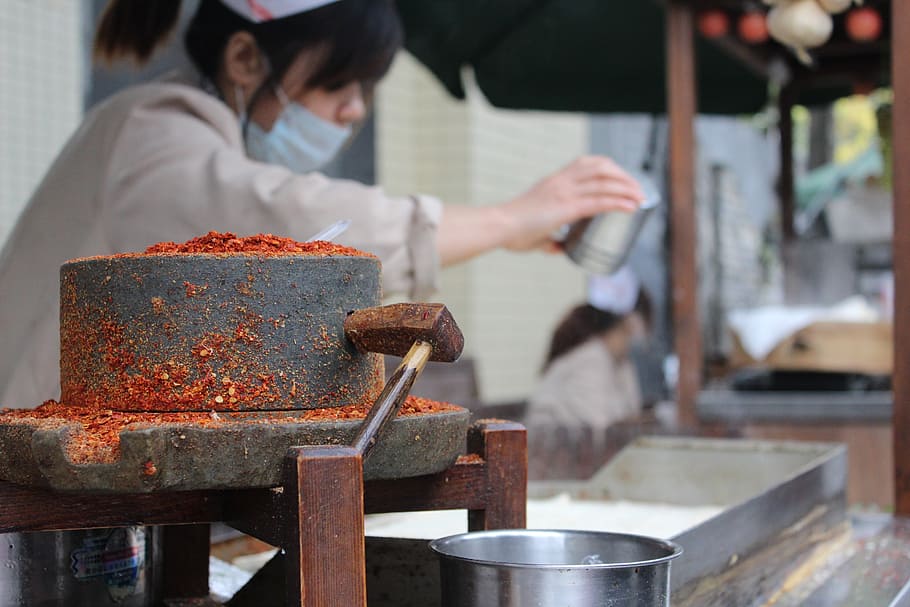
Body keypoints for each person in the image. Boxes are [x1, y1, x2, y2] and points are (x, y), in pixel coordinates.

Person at [0, 0, 644, 408]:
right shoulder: (154, 132)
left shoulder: (156, 128)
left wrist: (503, 229)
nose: (355, 109)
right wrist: (506, 220)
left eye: (364, 88)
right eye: (340, 81)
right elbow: (280, 224)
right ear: (246, 57)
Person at [525, 267, 652, 434]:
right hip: (553, 456)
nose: (642, 338)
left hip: (577, 456)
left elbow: (630, 414)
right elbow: (602, 432)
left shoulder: (618, 362)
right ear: (631, 322)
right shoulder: (591, 359)